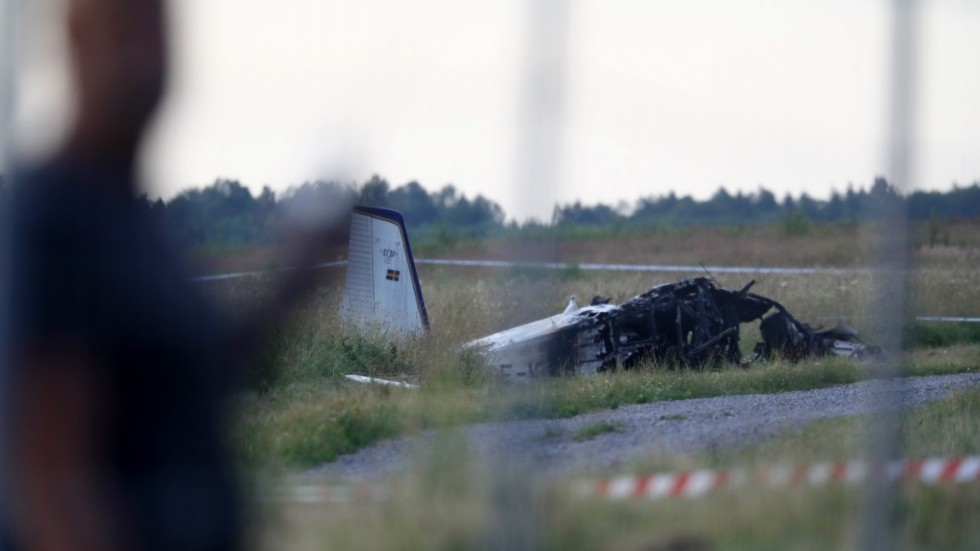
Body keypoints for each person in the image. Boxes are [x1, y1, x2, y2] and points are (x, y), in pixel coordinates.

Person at [0, 1, 242, 549]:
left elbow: (181, 386)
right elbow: (50, 479)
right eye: (125, 32)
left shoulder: (133, 219)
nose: (147, 61)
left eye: (156, 33)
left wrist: (294, 286)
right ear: (76, 40)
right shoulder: (59, 217)